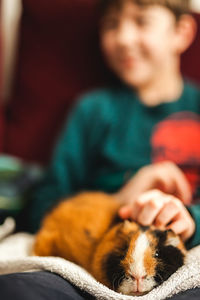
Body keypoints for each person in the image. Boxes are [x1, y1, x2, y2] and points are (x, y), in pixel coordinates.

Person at [2, 0, 200, 299]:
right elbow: (41, 210)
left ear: (182, 32)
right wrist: (118, 201)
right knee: (17, 289)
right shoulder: (93, 111)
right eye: (111, 24)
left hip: (187, 258)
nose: (123, 38)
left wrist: (190, 217)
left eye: (142, 20)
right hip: (95, 258)